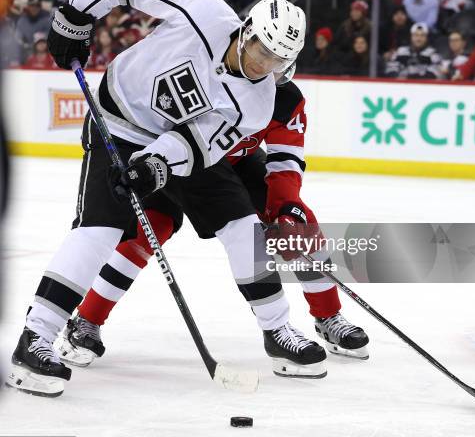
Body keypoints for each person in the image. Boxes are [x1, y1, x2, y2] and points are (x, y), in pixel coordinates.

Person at [6, 0, 314, 398]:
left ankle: (278, 330)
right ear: (247, 31)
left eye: (280, 59)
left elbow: (198, 143)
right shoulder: (204, 12)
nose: (267, 65)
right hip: (118, 122)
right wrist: (77, 14)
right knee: (100, 228)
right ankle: (36, 337)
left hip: (173, 144)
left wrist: (155, 164)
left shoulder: (259, 102)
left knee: (244, 227)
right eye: (263, 50)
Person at [57, 76, 369, 366]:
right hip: (184, 159)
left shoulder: (287, 99)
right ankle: (87, 318)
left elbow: (286, 161)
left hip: (237, 163)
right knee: (149, 227)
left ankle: (329, 316)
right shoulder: (215, 76)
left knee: (299, 223)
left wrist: (285, 206)